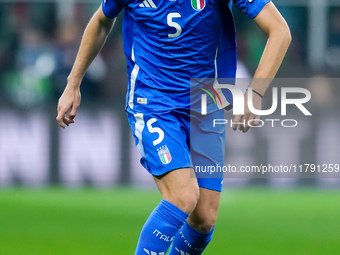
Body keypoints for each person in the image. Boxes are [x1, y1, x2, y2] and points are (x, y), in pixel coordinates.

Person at [56, 0, 291, 254]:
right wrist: (73, 82)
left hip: (205, 105)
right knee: (183, 196)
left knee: (204, 220)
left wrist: (255, 94)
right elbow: (102, 20)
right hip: (153, 102)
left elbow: (280, 31)